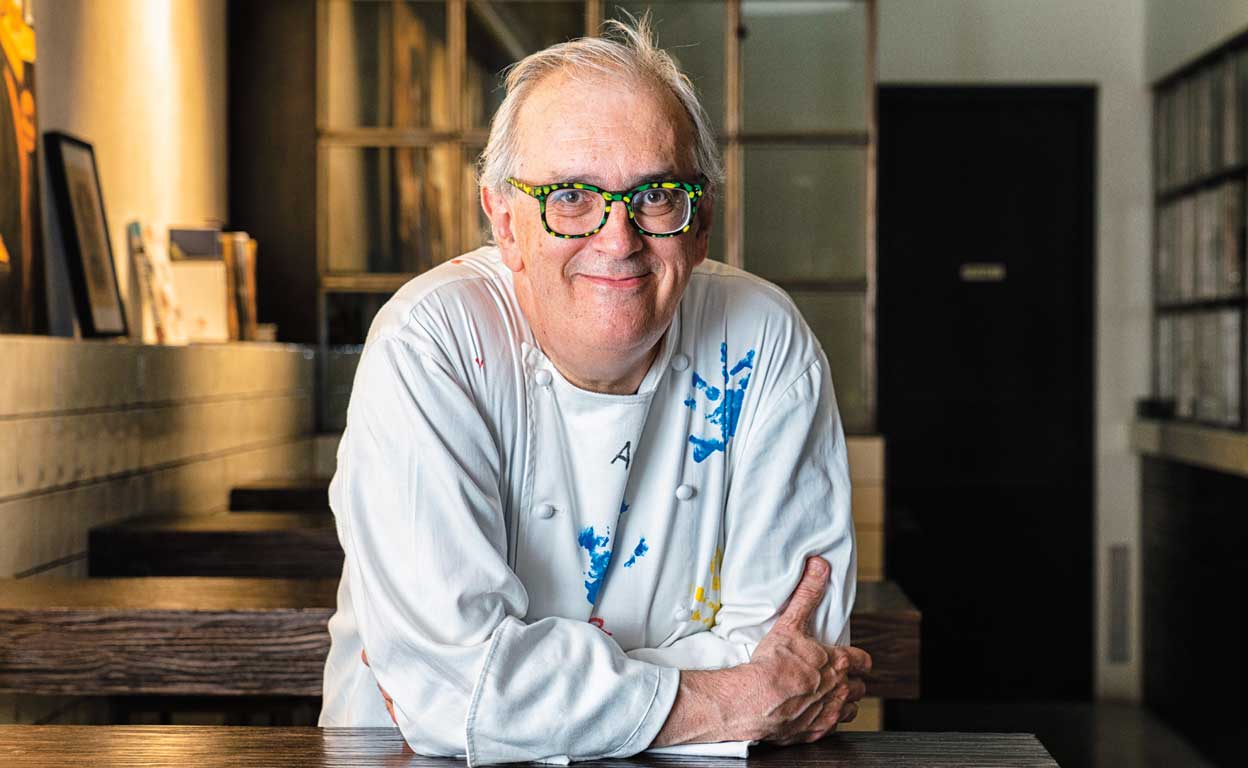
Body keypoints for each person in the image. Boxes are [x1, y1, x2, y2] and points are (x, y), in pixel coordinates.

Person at [318, 16, 871, 766]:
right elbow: (451, 696)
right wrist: (733, 699)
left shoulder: (765, 341)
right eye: (572, 196)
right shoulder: (432, 341)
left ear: (701, 220)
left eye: (657, 196)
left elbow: (796, 662)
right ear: (504, 220)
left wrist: (508, 696)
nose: (618, 240)